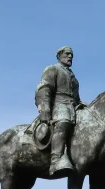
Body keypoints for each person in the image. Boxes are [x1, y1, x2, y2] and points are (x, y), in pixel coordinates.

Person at [35, 46, 85, 176]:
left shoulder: (74, 78)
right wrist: (44, 110)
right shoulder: (53, 69)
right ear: (59, 55)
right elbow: (44, 89)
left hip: (72, 106)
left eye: (71, 55)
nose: (70, 57)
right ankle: (55, 160)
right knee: (64, 122)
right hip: (59, 105)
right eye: (67, 54)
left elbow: (76, 97)